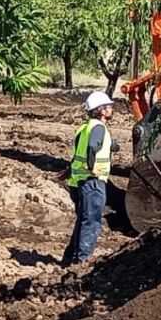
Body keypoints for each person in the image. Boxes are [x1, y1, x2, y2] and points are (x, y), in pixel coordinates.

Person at [60, 91, 119, 267]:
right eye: (108, 107)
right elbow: (93, 146)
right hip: (93, 181)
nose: (111, 109)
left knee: (83, 220)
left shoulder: (85, 127)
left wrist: (112, 145)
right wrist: (93, 167)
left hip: (78, 181)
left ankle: (69, 258)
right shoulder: (99, 128)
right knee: (91, 221)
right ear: (101, 110)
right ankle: (82, 262)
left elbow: (85, 147)